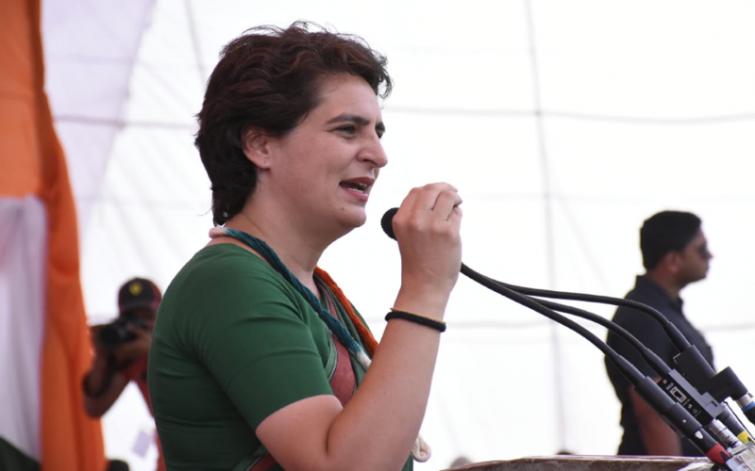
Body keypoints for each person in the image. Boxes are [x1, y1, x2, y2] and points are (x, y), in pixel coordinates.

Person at [147, 22, 462, 471]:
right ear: (260, 145)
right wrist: (425, 289)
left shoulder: (310, 290)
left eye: (378, 132)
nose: (378, 154)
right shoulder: (228, 281)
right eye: (348, 130)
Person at [605, 210, 714, 456]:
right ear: (673, 260)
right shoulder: (642, 316)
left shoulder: (664, 312)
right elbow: (652, 410)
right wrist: (672, 466)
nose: (710, 256)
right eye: (702, 249)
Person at [82, 277, 166, 471]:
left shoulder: (182, 342)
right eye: (131, 318)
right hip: (170, 450)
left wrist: (154, 352)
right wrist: (102, 358)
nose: (138, 326)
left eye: (146, 317)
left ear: (162, 314)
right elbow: (94, 408)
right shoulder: (132, 357)